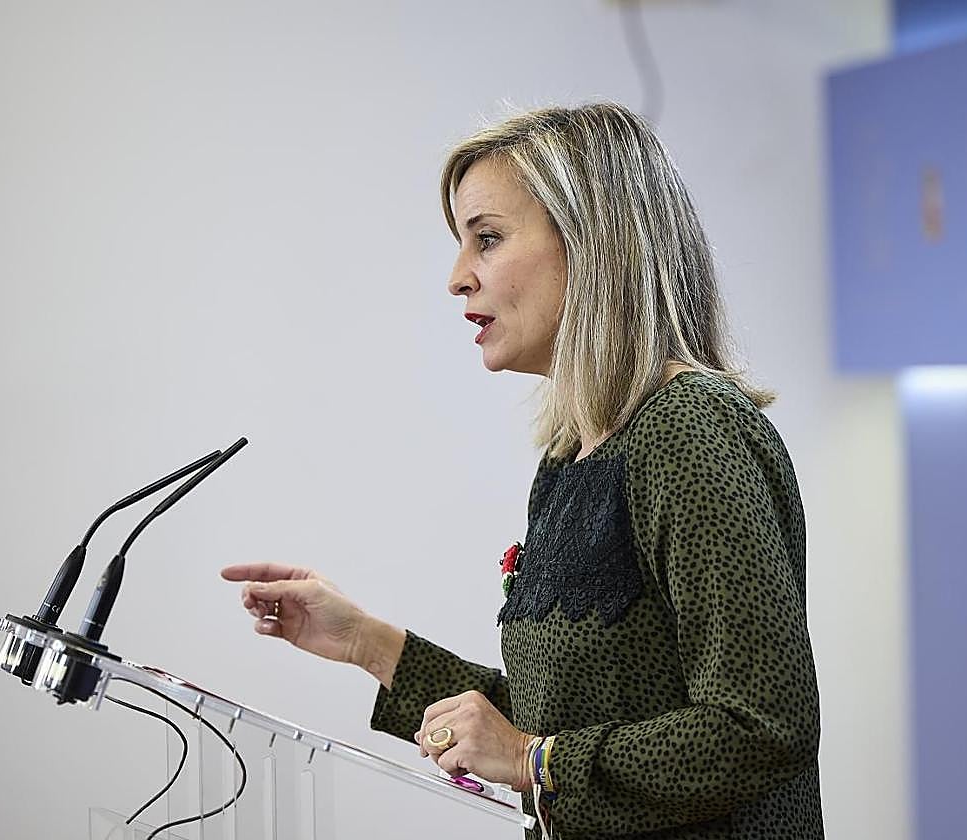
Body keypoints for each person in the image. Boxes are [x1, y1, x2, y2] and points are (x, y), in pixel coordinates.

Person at [222, 102, 823, 839]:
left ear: (594, 244)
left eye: (489, 239)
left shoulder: (690, 429)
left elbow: (762, 726)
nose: (457, 277)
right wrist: (365, 644)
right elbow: (559, 721)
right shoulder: (572, 457)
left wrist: (537, 762)